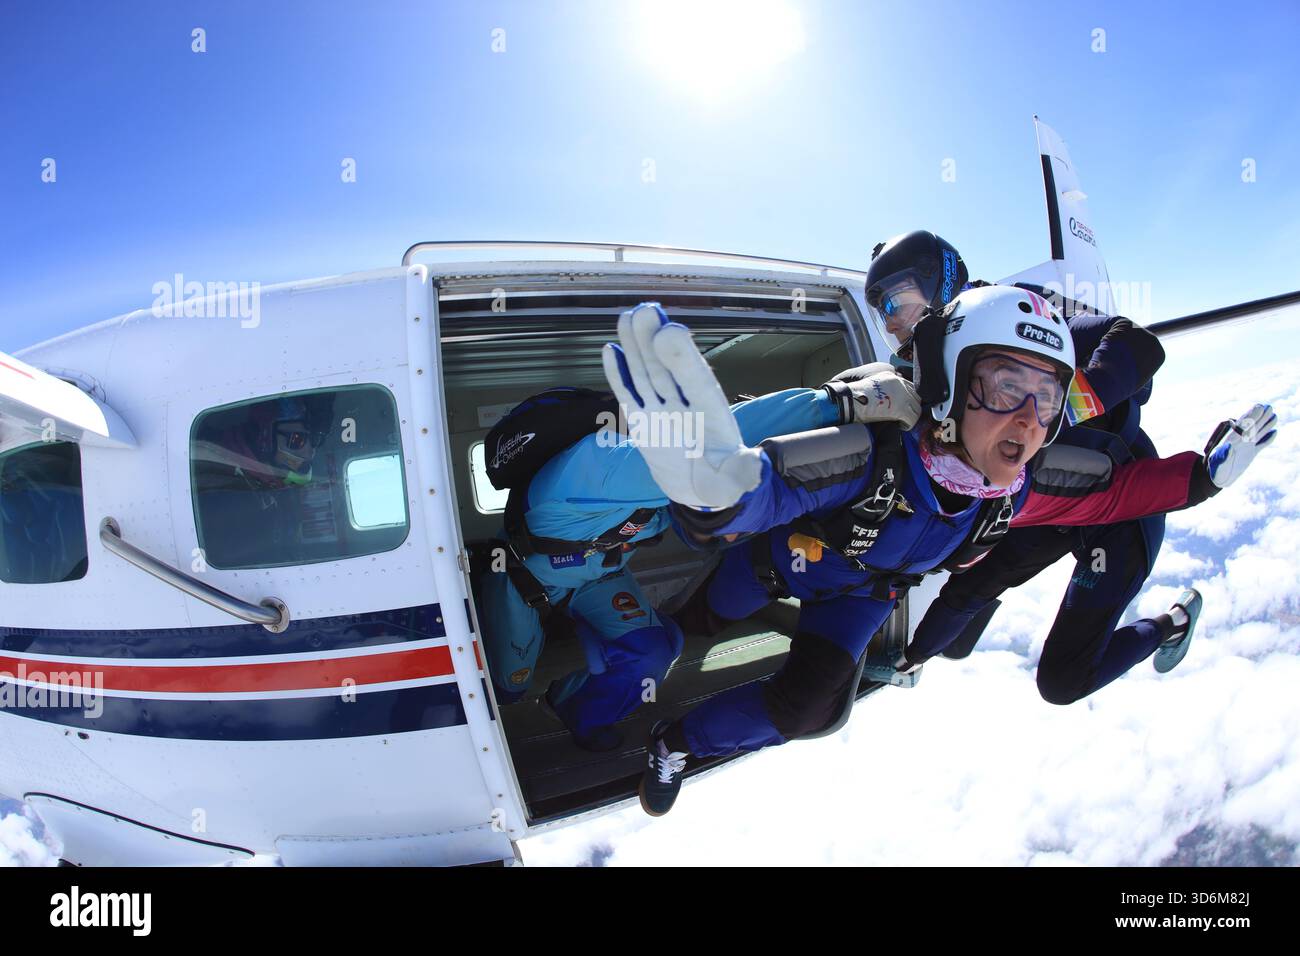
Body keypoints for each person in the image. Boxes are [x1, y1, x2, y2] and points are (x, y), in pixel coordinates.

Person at [601, 284, 1276, 815]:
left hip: (861, 595)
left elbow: (1107, 497)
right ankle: (623, 682)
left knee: (803, 710)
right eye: (1008, 385)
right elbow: (771, 489)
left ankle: (673, 746)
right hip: (787, 557)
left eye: (1046, 398)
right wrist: (716, 499)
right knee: (697, 622)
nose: (1028, 420)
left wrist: (1200, 479)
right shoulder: (879, 454)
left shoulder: (1009, 490)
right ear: (951, 384)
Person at [478, 304, 921, 751]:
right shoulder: (596, 463)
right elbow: (712, 445)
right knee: (506, 689)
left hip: (599, 575)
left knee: (655, 649)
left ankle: (576, 709)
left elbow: (696, 512)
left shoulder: (637, 465)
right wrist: (838, 403)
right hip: (525, 582)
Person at [861, 232, 1195, 700]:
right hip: (1041, 507)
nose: (890, 322)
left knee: (1062, 682)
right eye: (881, 311)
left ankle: (1172, 624)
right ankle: (918, 652)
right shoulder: (927, 371)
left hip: (1120, 504)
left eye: (895, 302)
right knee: (965, 598)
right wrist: (913, 656)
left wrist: (1067, 409)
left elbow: (1137, 344)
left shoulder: (1014, 315)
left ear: (939, 282)